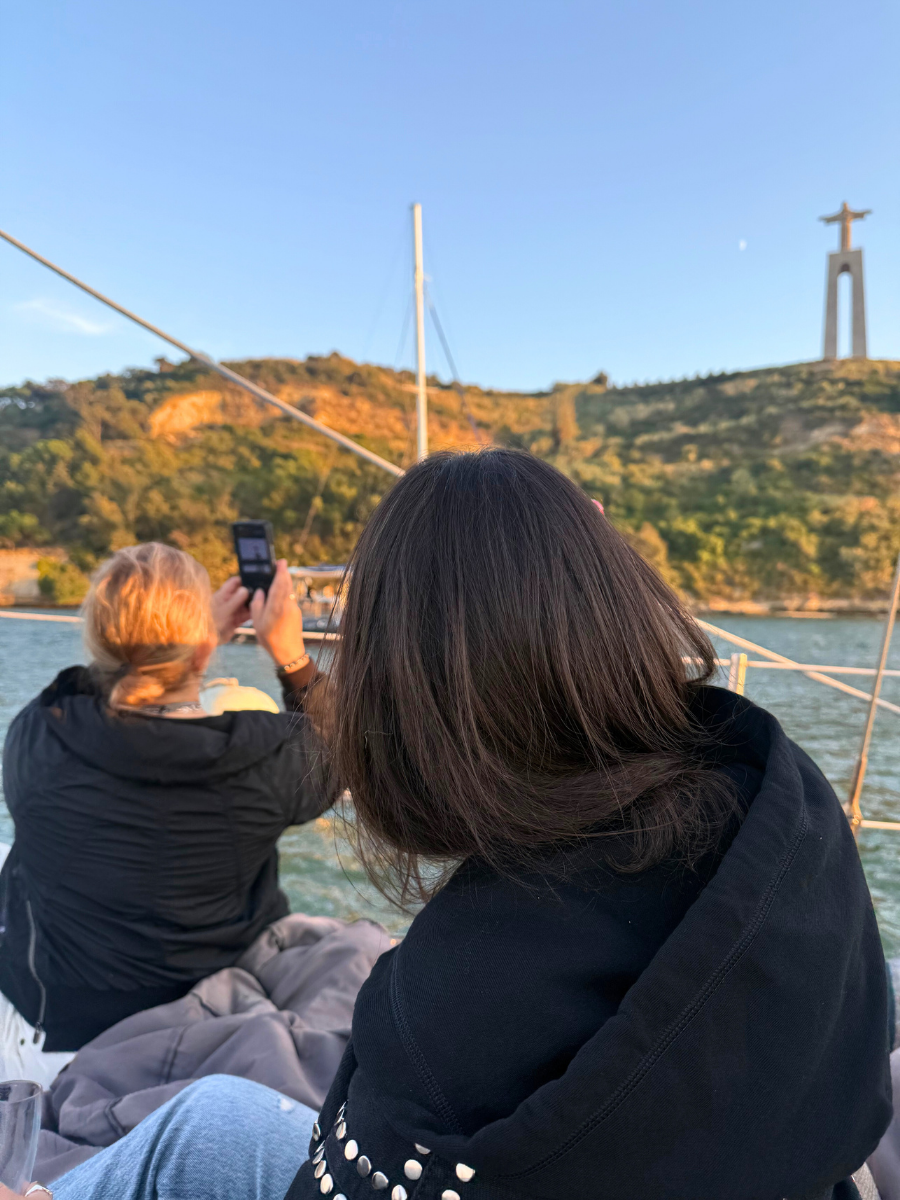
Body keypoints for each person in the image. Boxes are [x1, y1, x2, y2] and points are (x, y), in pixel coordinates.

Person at [23, 451, 891, 1200]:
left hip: (72, 1002)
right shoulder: (783, 801)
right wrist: (289, 658)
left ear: (398, 692)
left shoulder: (435, 1016)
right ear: (613, 593)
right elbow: (323, 757)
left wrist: (193, 648)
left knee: (204, 1124)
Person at [0, 542, 336, 1060]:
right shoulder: (264, 759)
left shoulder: (36, 735)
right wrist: (290, 656)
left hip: (62, 1014)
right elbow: (341, 752)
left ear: (98, 639)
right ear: (201, 649)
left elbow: (97, 687)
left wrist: (187, 645)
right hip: (203, 1015)